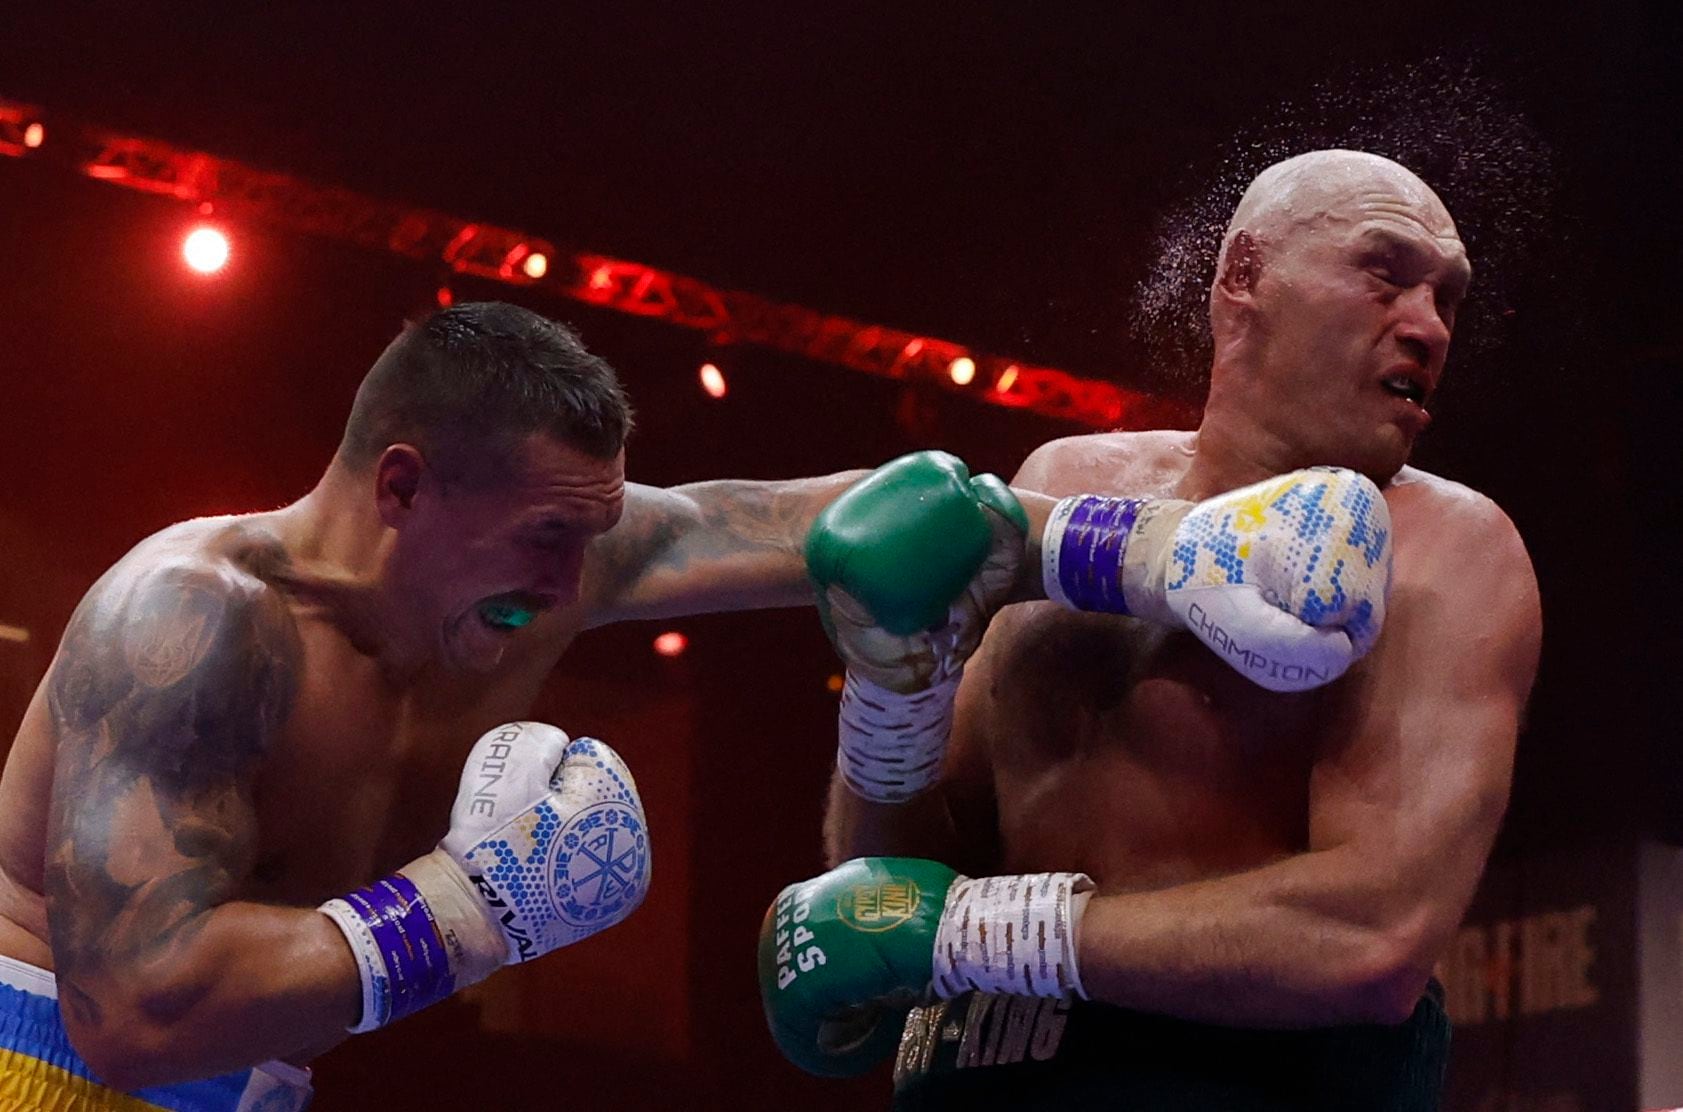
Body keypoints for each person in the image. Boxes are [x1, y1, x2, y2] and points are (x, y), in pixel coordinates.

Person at [759, 150, 1543, 1110]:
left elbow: (1373, 935)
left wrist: (978, 934)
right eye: (1386, 274)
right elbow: (901, 888)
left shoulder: (1446, 549)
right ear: (1243, 275)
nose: (1426, 324)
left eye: (1447, 299)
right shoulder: (1065, 482)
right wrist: (889, 691)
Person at [0, 301, 877, 1110]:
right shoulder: (196, 618)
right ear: (403, 487)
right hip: (39, 1069)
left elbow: (810, 524)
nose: (569, 582)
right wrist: (467, 906)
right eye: (544, 538)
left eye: (588, 540)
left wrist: (1011, 536)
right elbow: (129, 1014)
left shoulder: (550, 550)